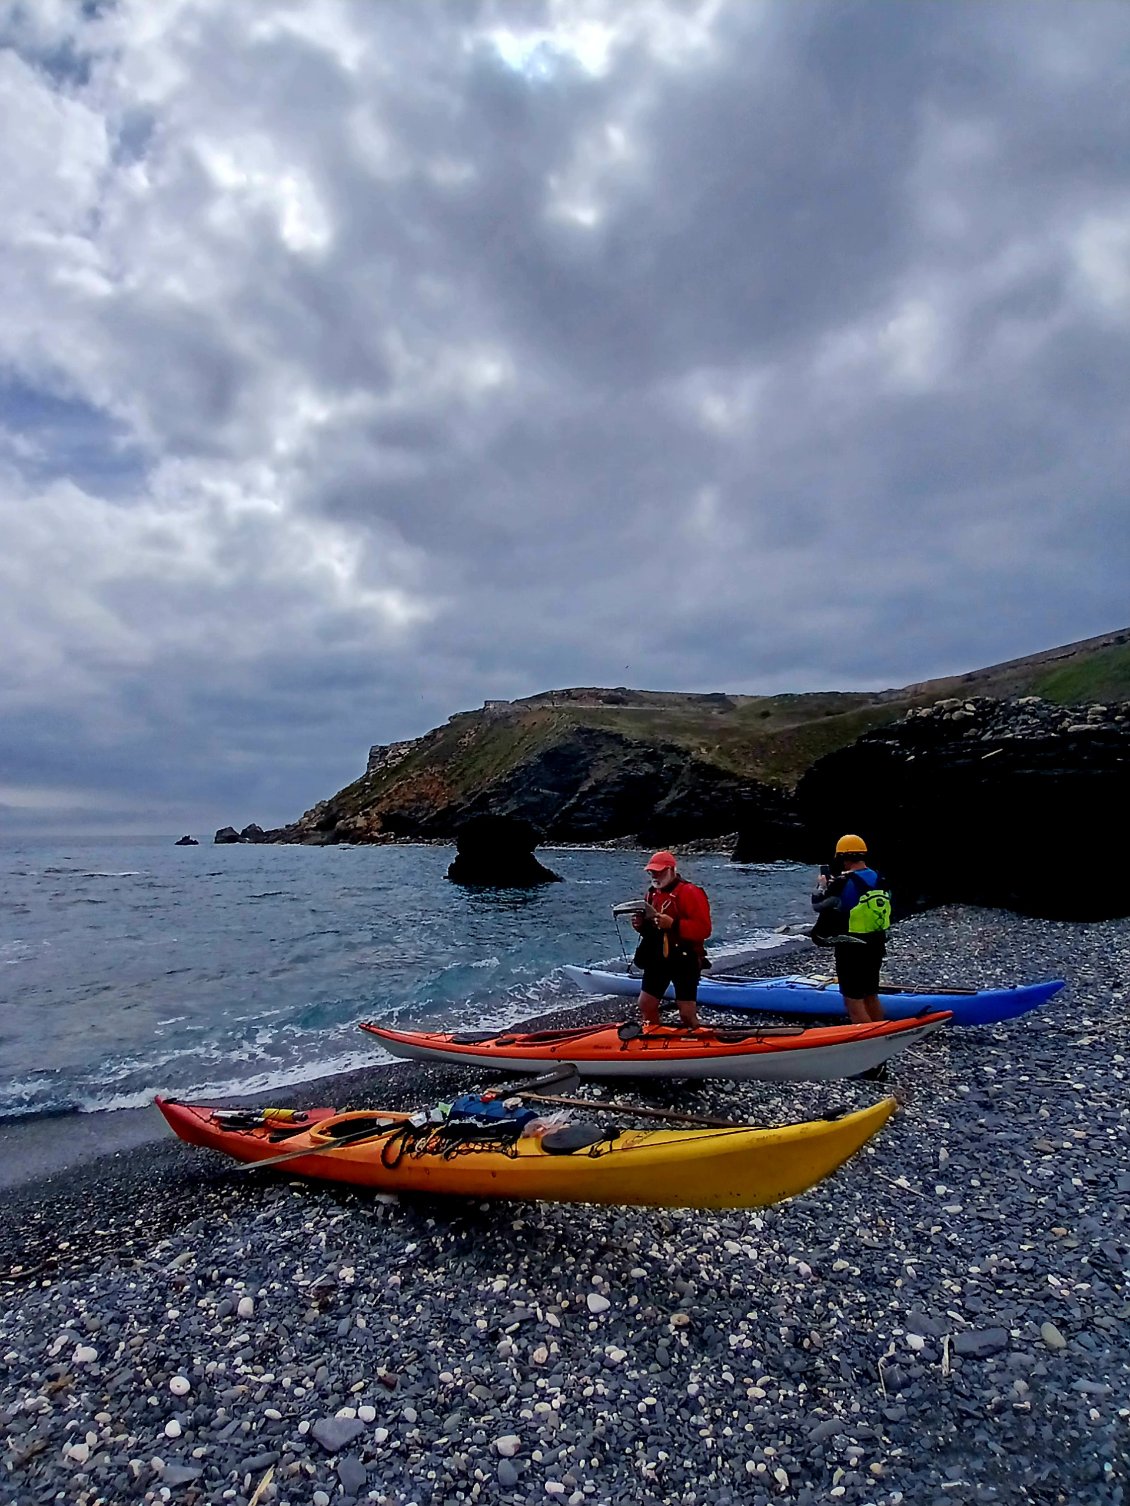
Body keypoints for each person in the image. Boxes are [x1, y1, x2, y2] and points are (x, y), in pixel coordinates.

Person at [811, 834, 891, 1024]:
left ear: (842, 857)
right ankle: (881, 1030)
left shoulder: (842, 882)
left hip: (851, 947)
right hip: (876, 943)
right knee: (871, 994)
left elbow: (818, 905)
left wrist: (822, 887)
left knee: (853, 1000)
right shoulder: (880, 878)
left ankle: (869, 1037)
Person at [630, 850, 712, 1030]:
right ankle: (654, 1036)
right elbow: (652, 930)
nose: (655, 875)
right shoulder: (652, 894)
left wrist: (673, 924)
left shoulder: (690, 892)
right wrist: (640, 926)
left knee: (686, 1012)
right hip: (657, 957)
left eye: (659, 872)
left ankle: (697, 1038)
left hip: (684, 958)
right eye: (652, 872)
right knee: (646, 1004)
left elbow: (704, 929)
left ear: (671, 870)